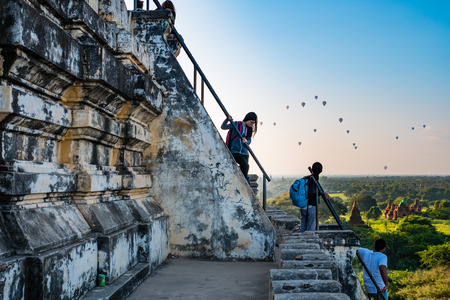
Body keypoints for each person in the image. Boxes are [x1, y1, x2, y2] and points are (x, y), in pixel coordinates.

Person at [221, 112, 258, 182]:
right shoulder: (236, 124)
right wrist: (227, 119)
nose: (252, 124)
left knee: (245, 169)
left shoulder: (249, 129)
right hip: (235, 151)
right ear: (247, 119)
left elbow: (249, 140)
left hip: (245, 153)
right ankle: (243, 182)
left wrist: (246, 141)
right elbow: (223, 127)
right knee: (246, 166)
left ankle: (246, 184)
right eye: (251, 122)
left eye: (253, 123)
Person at [299, 162, 329, 232]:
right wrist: (320, 193)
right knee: (311, 227)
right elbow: (312, 192)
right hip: (310, 205)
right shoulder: (313, 180)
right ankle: (308, 241)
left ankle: (301, 240)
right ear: (321, 171)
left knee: (303, 226)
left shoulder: (306, 178)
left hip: (303, 205)